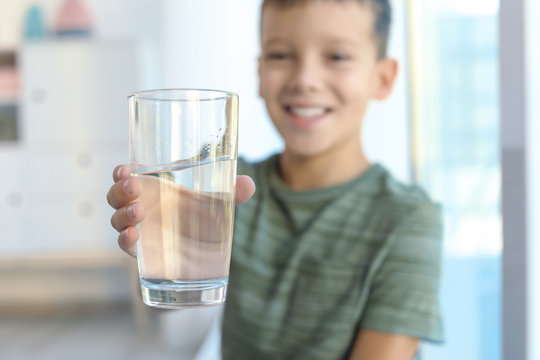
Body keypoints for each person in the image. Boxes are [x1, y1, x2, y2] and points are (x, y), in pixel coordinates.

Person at [107, 0, 443, 358]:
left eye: (337, 57)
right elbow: (176, 327)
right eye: (281, 55)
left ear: (384, 77)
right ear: (259, 73)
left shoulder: (408, 218)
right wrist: (160, 239)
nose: (305, 80)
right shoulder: (230, 189)